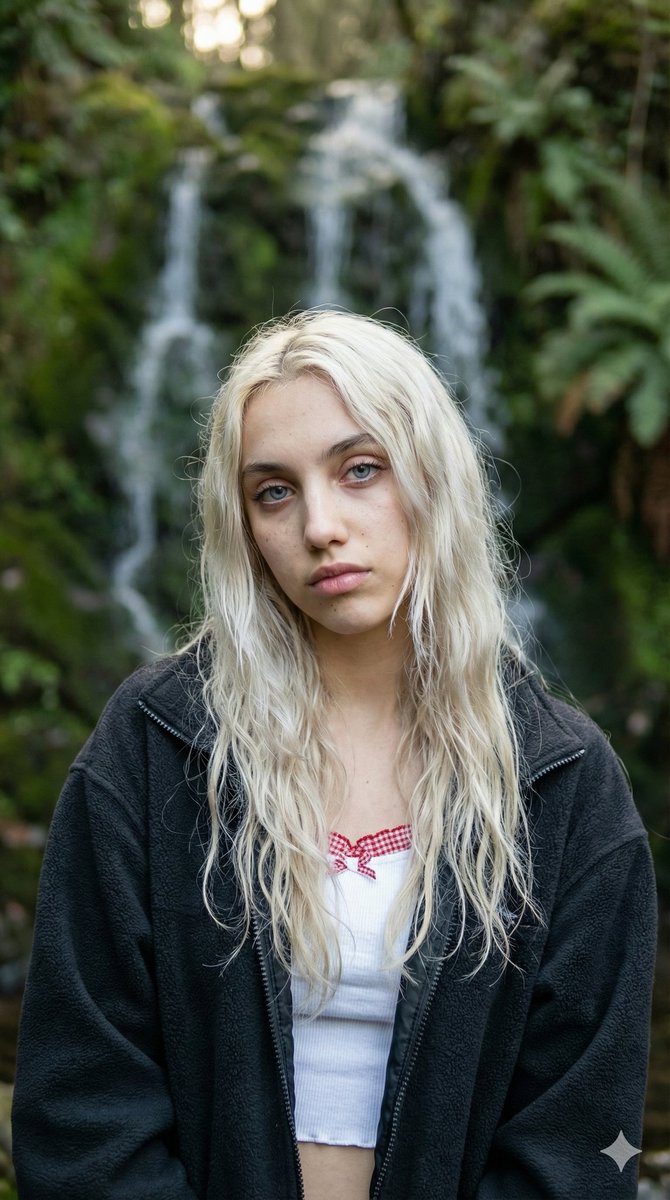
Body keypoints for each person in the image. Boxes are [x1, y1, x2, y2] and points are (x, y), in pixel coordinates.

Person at [12, 310, 657, 1200]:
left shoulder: (564, 783)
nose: (320, 526)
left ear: (432, 474)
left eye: (360, 470)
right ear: (241, 524)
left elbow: (583, 1144)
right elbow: (81, 1103)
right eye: (273, 492)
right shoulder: (156, 745)